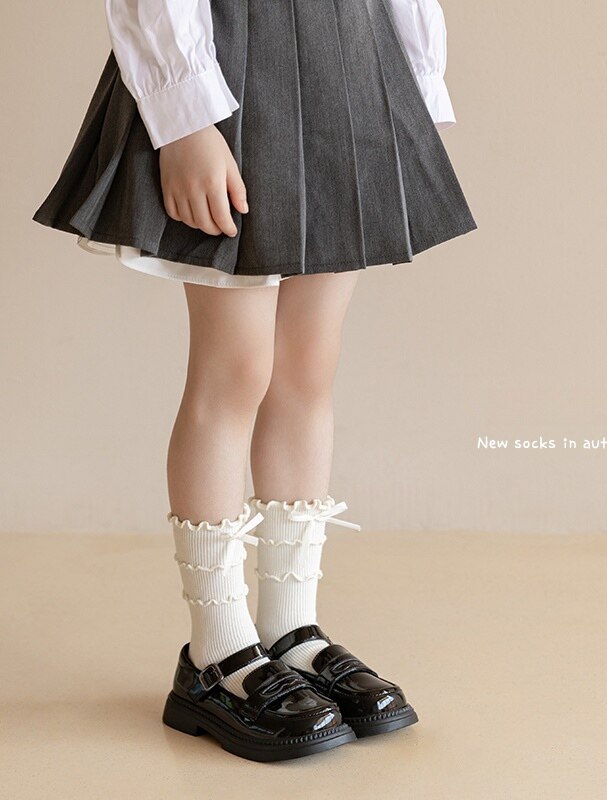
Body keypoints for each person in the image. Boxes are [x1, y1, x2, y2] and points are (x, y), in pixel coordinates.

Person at [31, 0, 477, 762]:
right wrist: (183, 116)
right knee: (235, 369)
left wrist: (411, 78)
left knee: (309, 364)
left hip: (350, 59)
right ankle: (216, 649)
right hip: (229, 67)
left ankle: (291, 628)